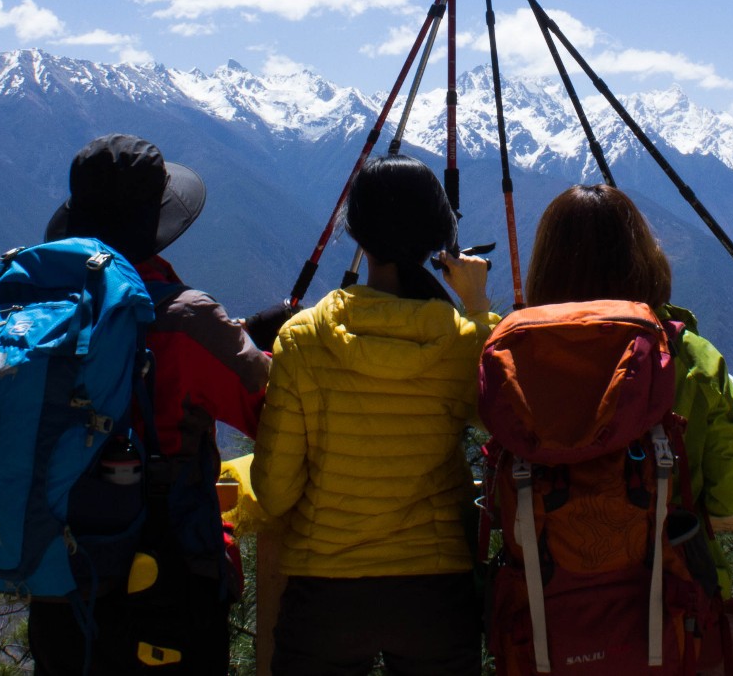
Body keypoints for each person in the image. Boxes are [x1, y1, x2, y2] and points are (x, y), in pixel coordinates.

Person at [29, 134, 271, 676]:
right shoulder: (185, 320)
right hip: (165, 584)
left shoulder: (40, 312)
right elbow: (267, 412)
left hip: (57, 582)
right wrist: (261, 347)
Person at [252, 154, 496, 676]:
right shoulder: (459, 342)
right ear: (438, 239)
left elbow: (274, 491)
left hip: (325, 592)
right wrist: (478, 309)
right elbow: (507, 417)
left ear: (357, 235)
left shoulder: (302, 339)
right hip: (436, 590)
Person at [521, 184, 733, 592]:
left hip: (553, 605)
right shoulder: (691, 358)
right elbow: (731, 497)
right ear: (643, 257)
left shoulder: (520, 362)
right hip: (675, 600)